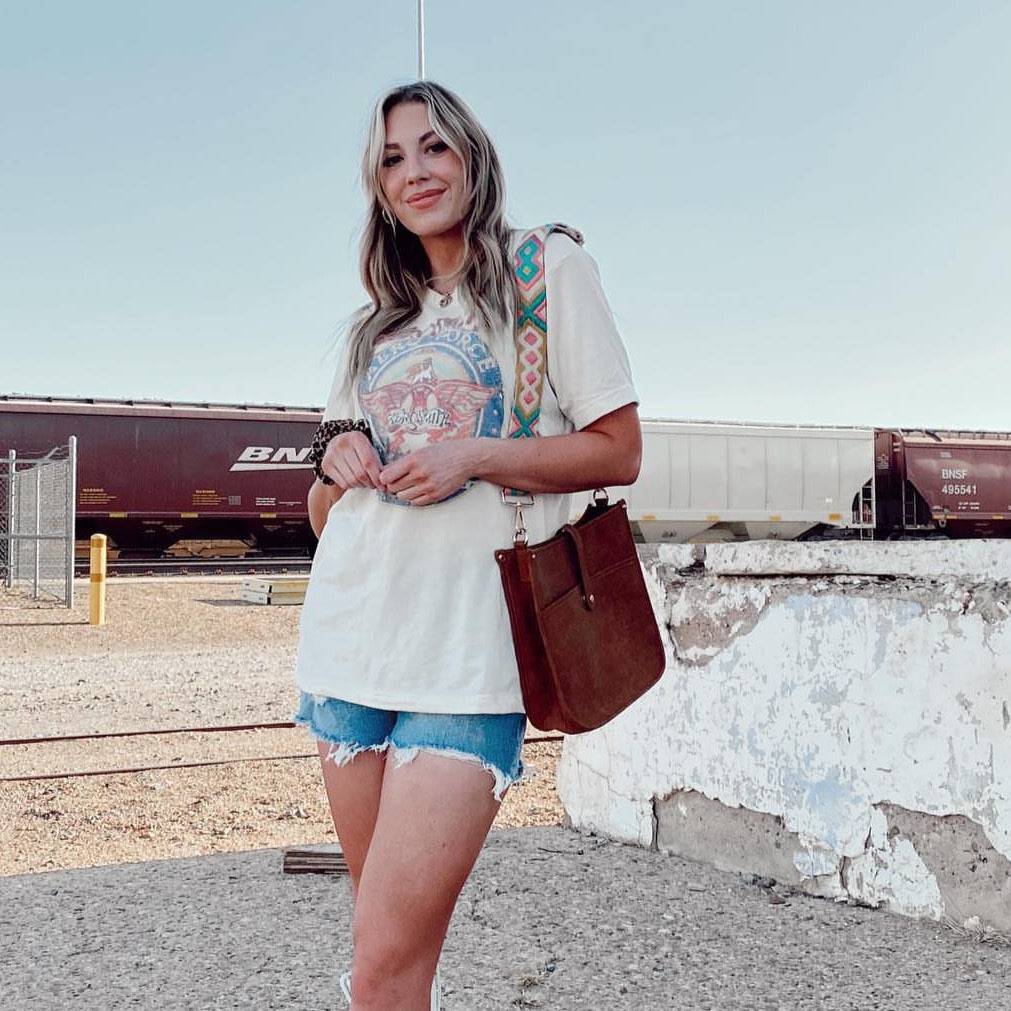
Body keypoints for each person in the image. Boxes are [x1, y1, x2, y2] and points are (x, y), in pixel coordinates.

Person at [292, 79, 642, 1011]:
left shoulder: (544, 271)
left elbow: (619, 449)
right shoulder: (374, 327)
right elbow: (325, 519)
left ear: (473, 157)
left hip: (467, 659)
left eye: (434, 146)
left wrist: (474, 455)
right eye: (392, 158)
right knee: (387, 950)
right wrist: (337, 468)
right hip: (348, 650)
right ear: (377, 187)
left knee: (381, 960)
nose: (415, 171)